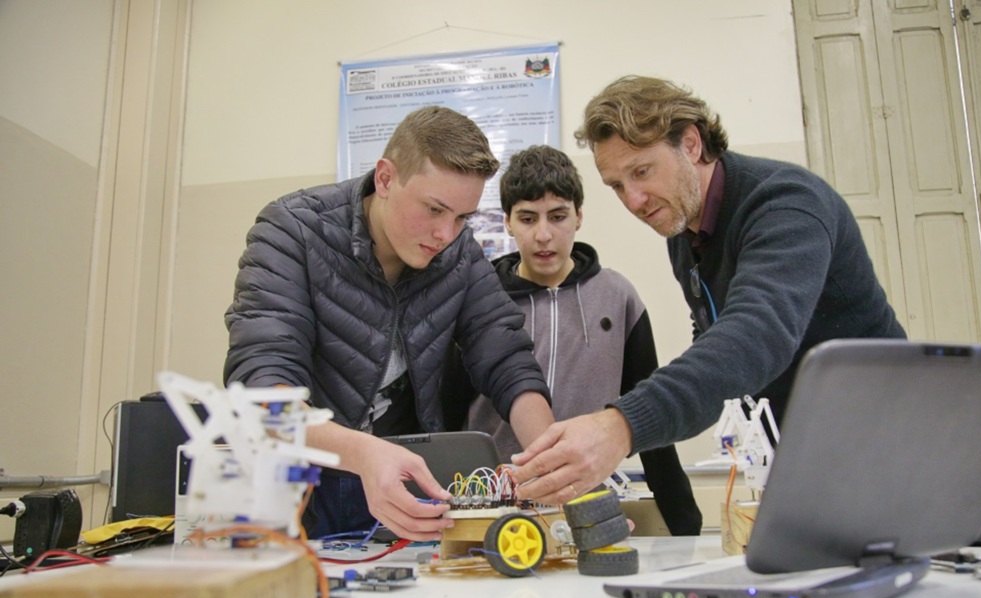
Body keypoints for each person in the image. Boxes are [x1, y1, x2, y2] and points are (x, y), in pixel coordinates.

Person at [511, 75, 906, 505]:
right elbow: (714, 337)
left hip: (883, 449)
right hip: (804, 461)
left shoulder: (786, 204)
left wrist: (621, 425)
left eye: (642, 172)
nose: (635, 200)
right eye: (618, 186)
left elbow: (755, 337)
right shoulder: (684, 232)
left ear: (692, 144)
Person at [223, 105, 554, 542]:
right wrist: (363, 455)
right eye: (434, 209)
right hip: (300, 488)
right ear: (384, 178)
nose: (446, 235)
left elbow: (507, 358)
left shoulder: (459, 255)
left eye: (461, 218)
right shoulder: (292, 232)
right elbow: (262, 390)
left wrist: (555, 464)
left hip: (405, 488)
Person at [447, 145, 702, 535]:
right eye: (528, 218)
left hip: (584, 507)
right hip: (489, 509)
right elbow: (448, 415)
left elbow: (649, 414)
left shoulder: (618, 298)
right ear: (508, 223)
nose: (544, 234)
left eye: (558, 216)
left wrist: (685, 523)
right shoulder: (480, 302)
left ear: (579, 217)